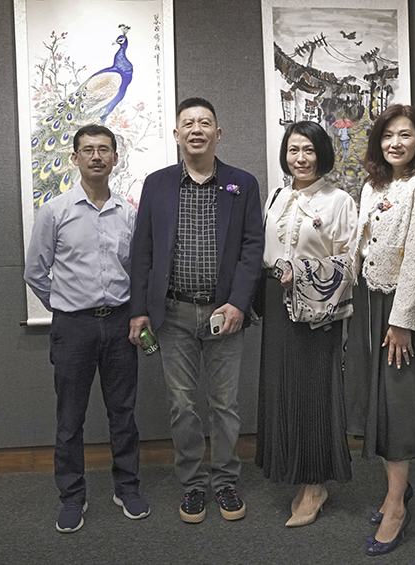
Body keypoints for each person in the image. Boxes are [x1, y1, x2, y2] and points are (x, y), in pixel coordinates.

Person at [128, 98, 264, 524]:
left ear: (218, 134)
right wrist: (139, 310)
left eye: (205, 123)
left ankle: (225, 481)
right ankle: (192, 484)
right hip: (173, 314)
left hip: (226, 313)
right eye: (188, 123)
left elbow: (252, 248)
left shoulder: (242, 183)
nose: (196, 129)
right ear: (176, 134)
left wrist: (239, 303)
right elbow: (142, 250)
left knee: (225, 404)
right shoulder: (157, 184)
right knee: (182, 405)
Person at [24, 124, 150, 533]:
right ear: (75, 158)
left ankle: (127, 488)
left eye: (104, 150)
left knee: (123, 414)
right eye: (88, 150)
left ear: (115, 158)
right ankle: (72, 497)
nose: (97, 156)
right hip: (73, 328)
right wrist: (65, 306)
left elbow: (138, 271)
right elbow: (35, 271)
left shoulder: (129, 214)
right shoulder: (55, 211)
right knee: (69, 419)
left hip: (119, 325)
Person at [353, 104, 415, 555]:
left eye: (405, 135)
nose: (395, 143)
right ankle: (396, 489)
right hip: (369, 299)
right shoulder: (372, 185)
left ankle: (396, 506)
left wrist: (403, 320)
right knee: (377, 399)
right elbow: (361, 245)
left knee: (398, 403)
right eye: (388, 135)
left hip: (398, 305)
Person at [256, 121, 358, 527]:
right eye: (293, 150)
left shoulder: (339, 200)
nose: (300, 158)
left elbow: (350, 261)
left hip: (317, 310)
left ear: (323, 154)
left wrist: (302, 272)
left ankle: (315, 485)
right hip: (277, 305)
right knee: (284, 390)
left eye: (309, 150)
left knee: (315, 393)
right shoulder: (277, 195)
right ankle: (298, 474)